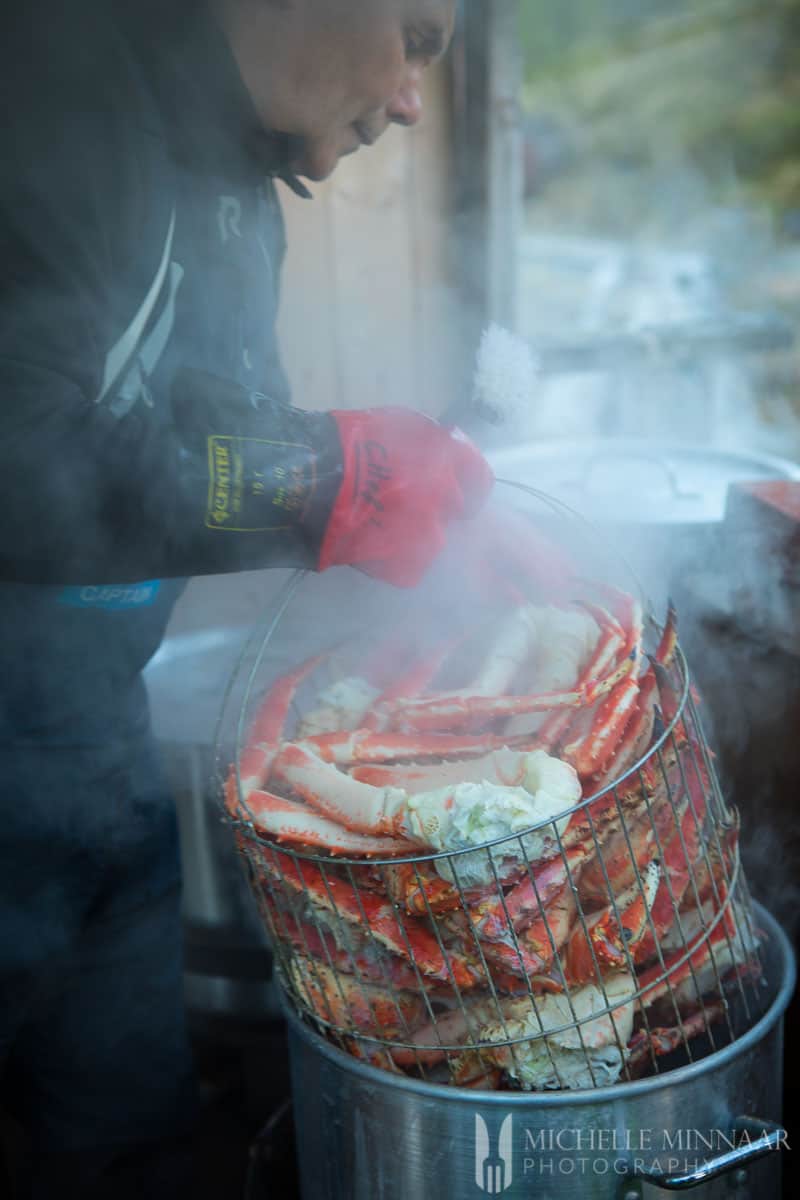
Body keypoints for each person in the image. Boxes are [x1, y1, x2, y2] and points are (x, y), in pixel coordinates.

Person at [0, 0, 495, 1195]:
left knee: (133, 1141)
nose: (414, 99)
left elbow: (217, 460)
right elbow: (24, 449)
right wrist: (330, 476)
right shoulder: (50, 89)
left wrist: (407, 570)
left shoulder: (242, 189)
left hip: (90, 752)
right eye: (419, 39)